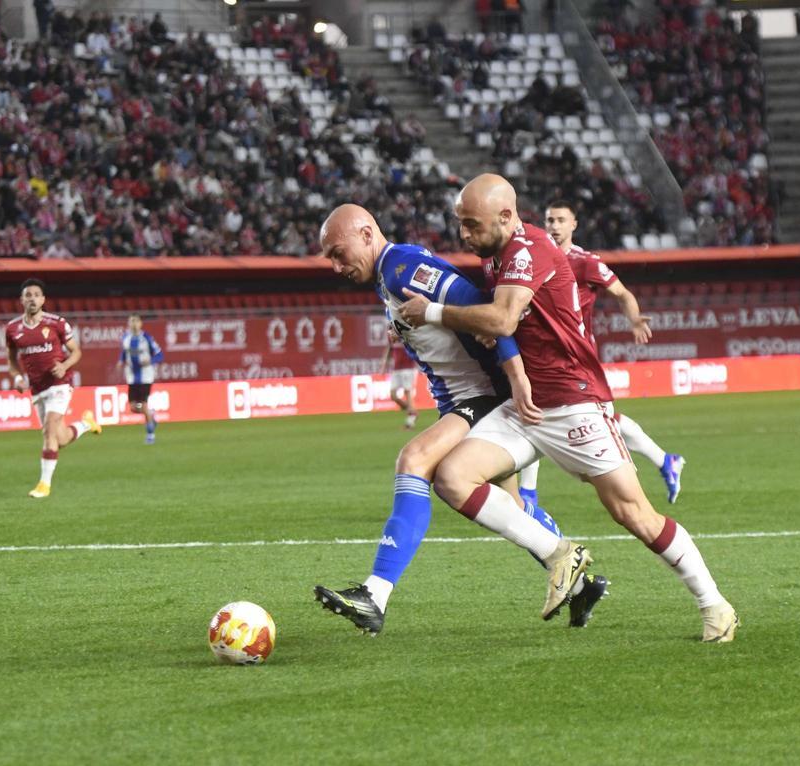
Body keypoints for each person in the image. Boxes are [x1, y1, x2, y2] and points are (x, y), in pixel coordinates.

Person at [398, 174, 739, 642]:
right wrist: (515, 374)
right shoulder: (497, 257)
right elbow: (507, 328)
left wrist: (431, 312)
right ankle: (560, 553)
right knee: (452, 478)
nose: (464, 236)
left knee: (634, 514)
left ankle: (715, 604)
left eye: (472, 225)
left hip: (575, 402)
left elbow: (500, 318)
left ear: (505, 216)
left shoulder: (528, 250)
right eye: (460, 225)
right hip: (525, 409)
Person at [313, 204, 607, 635]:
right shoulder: (388, 277)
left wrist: (516, 375)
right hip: (471, 398)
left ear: (366, 232)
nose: (337, 265)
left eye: (339, 252)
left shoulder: (401, 266)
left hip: (483, 395)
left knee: (414, 459)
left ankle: (374, 595)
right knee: (517, 507)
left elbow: (484, 308)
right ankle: (579, 584)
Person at [518, 203, 685, 506]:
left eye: (560, 220)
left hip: (575, 358)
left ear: (574, 225)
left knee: (596, 420)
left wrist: (633, 318)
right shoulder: (533, 258)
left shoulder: (585, 262)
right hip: (541, 354)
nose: (554, 226)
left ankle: (663, 461)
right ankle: (527, 493)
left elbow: (622, 293)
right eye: (549, 220)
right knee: (535, 412)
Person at [5, 278, 101, 498]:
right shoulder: (12, 329)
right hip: (37, 389)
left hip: (60, 384)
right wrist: (18, 377)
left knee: (49, 430)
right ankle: (86, 424)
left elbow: (76, 351)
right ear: (21, 299)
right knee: (61, 438)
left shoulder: (57, 323)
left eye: (36, 295)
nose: (32, 298)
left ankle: (43, 485)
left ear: (43, 299)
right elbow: (11, 360)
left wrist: (64, 365)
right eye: (28, 295)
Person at [119, 314, 164, 444]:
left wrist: (150, 360)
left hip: (145, 376)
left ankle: (151, 434)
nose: (133, 324)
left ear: (140, 324)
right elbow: (124, 353)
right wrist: (120, 361)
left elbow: (160, 355)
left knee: (143, 404)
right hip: (132, 377)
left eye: (135, 321)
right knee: (133, 407)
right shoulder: (125, 338)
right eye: (131, 321)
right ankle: (151, 414)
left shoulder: (147, 338)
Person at [380, 331, 419, 430]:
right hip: (396, 369)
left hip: (408, 368)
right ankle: (412, 411)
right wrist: (384, 364)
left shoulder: (406, 332)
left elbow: (417, 348)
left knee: (407, 392)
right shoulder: (391, 334)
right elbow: (389, 349)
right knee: (393, 395)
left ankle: (410, 423)